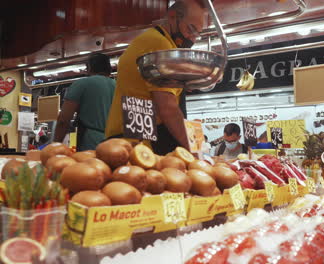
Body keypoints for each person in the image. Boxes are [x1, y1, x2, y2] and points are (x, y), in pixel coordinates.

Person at [105, 0, 209, 155]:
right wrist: (196, 151)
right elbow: (168, 108)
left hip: (132, 137)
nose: (192, 39)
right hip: (138, 143)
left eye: (197, 34)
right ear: (172, 16)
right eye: (190, 29)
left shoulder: (156, 39)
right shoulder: (160, 44)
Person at [54, 53, 116, 151]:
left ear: (89, 68)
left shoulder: (81, 84)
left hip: (91, 143)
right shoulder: (119, 86)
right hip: (115, 144)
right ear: (109, 68)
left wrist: (55, 145)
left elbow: (63, 120)